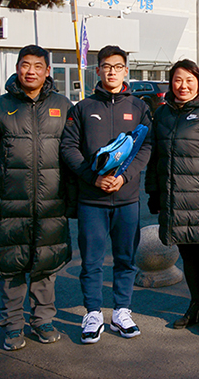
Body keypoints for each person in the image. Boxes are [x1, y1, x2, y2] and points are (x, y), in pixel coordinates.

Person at [0, 45, 73, 351]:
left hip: (52, 204)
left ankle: (43, 320)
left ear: (47, 71)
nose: (31, 71)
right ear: (17, 68)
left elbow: (74, 154)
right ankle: (13, 324)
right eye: (25, 65)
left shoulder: (63, 106)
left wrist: (74, 200)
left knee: (45, 266)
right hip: (9, 204)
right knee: (10, 267)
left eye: (38, 66)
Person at [60, 45, 152, 344]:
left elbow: (147, 147)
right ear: (97, 70)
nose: (112, 71)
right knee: (91, 261)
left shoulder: (138, 107)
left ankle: (122, 311)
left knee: (126, 259)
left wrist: (124, 177)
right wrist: (93, 177)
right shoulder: (83, 108)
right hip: (92, 200)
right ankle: (93, 313)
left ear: (126, 70)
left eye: (118, 66)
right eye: (106, 66)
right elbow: (68, 148)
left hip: (127, 200)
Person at [145, 59, 199, 336]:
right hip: (173, 198)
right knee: (187, 254)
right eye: (178, 80)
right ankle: (195, 304)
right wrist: (153, 191)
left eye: (190, 80)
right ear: (171, 83)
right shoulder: (163, 114)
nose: (183, 86)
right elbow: (156, 156)